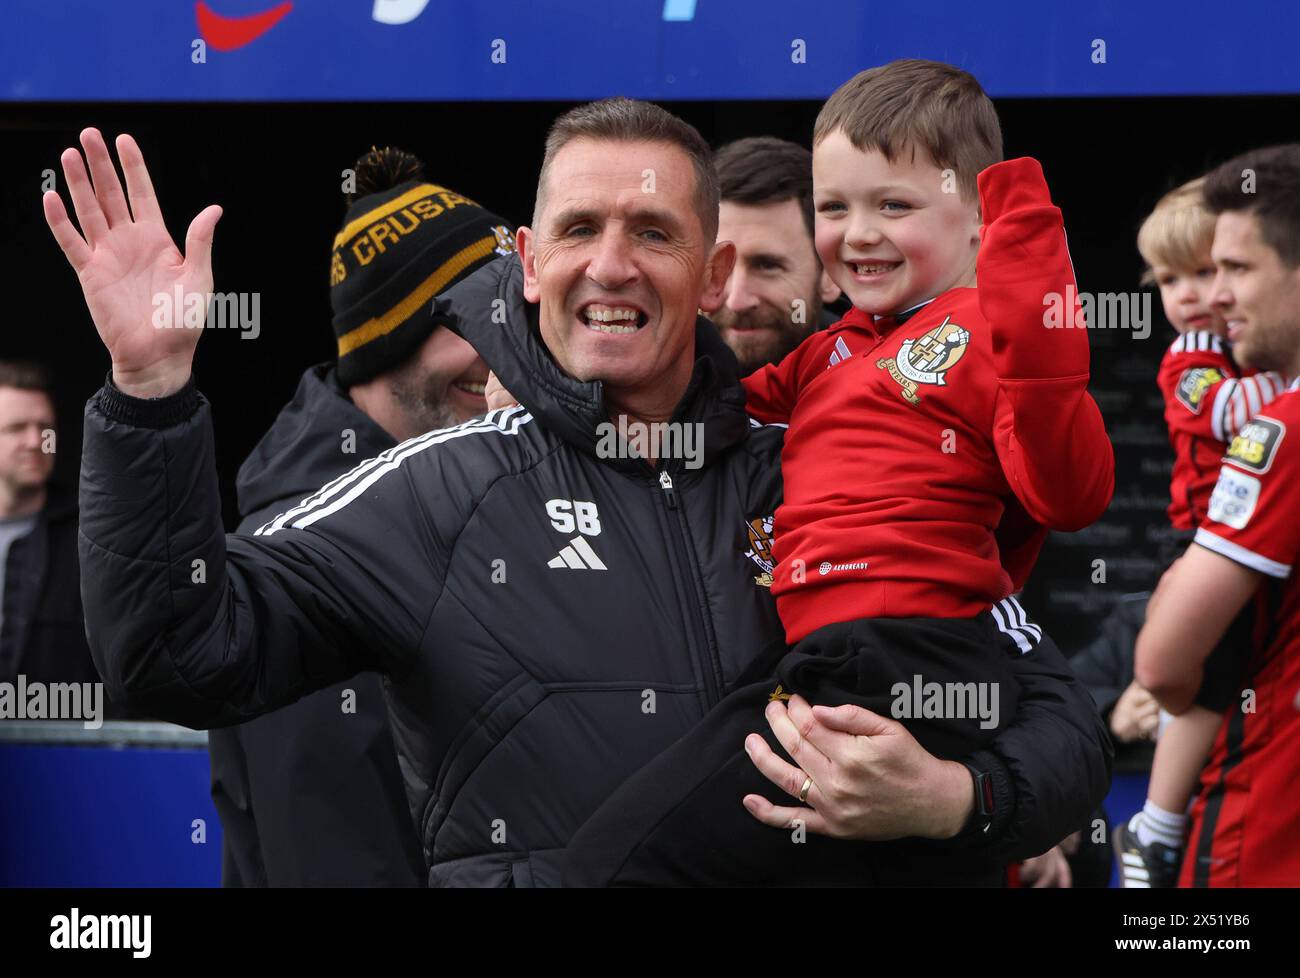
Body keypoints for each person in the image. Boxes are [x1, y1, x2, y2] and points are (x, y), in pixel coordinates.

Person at [44, 98, 1111, 887]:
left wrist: (953, 801)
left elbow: (1058, 722)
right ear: (528, 261)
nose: (612, 265)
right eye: (578, 230)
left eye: (652, 234)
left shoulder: (827, 469)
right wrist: (147, 395)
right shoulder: (433, 491)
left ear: (709, 273)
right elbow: (174, 657)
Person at [563, 60, 1114, 886]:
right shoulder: (833, 353)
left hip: (902, 653)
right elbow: (707, 408)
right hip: (832, 660)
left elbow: (1068, 491)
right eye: (835, 208)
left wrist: (1041, 355)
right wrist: (552, 371)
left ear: (977, 220)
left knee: (616, 865)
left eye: (893, 205)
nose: (857, 232)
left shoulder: (989, 331)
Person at [208, 147, 515, 887]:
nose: (506, 348)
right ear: (388, 343)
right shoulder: (311, 557)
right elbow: (340, 853)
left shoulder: (466, 496)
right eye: (471, 319)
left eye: (513, 314)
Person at [1114, 178, 1287, 887]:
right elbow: (1230, 412)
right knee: (1205, 686)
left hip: (1241, 542)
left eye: (1211, 271)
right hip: (1200, 538)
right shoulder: (1188, 361)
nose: (1191, 295)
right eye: (1168, 280)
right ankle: (1156, 822)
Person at [0, 361, 96, 690]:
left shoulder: (90, 534)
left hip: (60, 739)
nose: (35, 440)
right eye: (16, 428)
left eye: (45, 428)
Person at [710, 137, 841, 374]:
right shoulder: (638, 389)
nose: (736, 301)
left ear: (831, 274)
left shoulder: (886, 398)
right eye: (716, 268)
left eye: (767, 266)